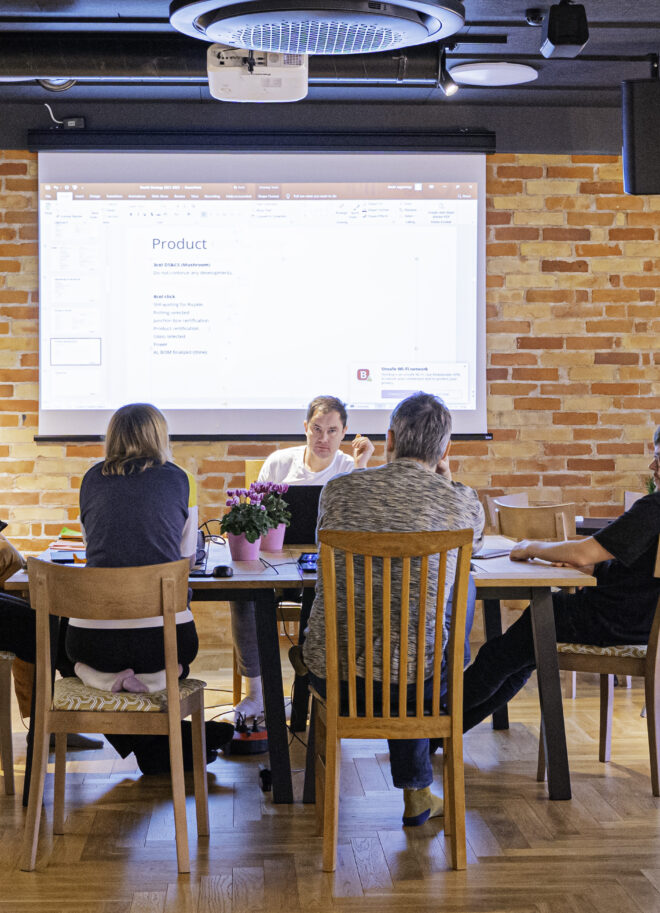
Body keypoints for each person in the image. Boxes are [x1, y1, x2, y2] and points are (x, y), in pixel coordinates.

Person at [301, 392, 484, 826]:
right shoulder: (461, 503)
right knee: (446, 605)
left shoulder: (338, 492)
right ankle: (417, 790)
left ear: (389, 439)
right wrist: (447, 481)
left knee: (389, 629)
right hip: (414, 689)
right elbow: (473, 543)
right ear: (444, 450)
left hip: (338, 681)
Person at [68, 403, 234, 773]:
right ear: (160, 436)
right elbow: (186, 561)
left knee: (63, 642)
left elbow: (94, 547)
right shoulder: (179, 479)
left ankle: (104, 679)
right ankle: (160, 680)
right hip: (162, 639)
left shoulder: (91, 479)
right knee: (182, 652)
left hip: (93, 642)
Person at [462, 425, 660, 733]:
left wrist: (531, 547)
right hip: (643, 625)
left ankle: (428, 730)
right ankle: (438, 736)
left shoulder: (655, 507)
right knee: (521, 657)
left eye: (658, 458)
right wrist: (590, 569)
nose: (652, 467)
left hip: (610, 620)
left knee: (502, 653)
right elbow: (635, 575)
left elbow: (584, 552)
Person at [230, 395, 374, 720]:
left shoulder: (351, 468)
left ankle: (316, 699)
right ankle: (257, 694)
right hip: (276, 565)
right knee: (244, 597)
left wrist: (361, 465)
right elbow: (256, 518)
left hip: (326, 571)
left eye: (333, 431)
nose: (324, 439)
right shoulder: (279, 463)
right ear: (305, 428)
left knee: (335, 596)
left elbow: (361, 521)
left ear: (344, 433)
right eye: (317, 429)